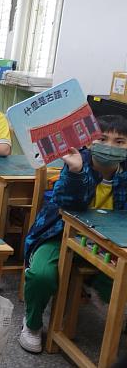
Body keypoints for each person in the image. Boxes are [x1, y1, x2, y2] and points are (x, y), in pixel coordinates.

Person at [19, 115, 127, 354]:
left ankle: (100, 290)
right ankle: (32, 323)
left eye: (119, 141)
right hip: (61, 233)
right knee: (41, 275)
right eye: (102, 138)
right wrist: (77, 171)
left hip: (110, 244)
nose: (110, 146)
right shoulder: (77, 162)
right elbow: (64, 201)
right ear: (89, 141)